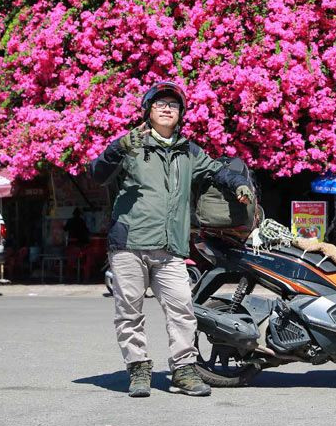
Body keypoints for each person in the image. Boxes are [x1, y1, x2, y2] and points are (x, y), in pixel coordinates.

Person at [90, 81, 254, 398]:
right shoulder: (131, 144)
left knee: (183, 311)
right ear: (148, 110)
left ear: (180, 114)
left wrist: (238, 184)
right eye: (160, 103)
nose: (167, 108)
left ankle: (183, 372)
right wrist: (116, 149)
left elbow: (219, 170)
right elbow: (97, 173)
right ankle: (138, 372)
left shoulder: (188, 151)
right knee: (130, 313)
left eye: (174, 105)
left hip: (170, 248)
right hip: (129, 245)